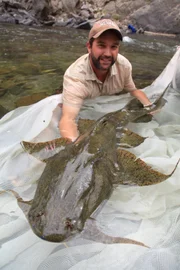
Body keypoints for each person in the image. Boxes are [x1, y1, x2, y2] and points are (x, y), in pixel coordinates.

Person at [59, 19, 153, 142]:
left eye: (113, 46)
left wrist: (150, 108)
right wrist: (74, 146)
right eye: (101, 45)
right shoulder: (75, 77)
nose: (108, 54)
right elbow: (68, 119)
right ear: (89, 47)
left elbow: (133, 90)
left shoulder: (124, 66)